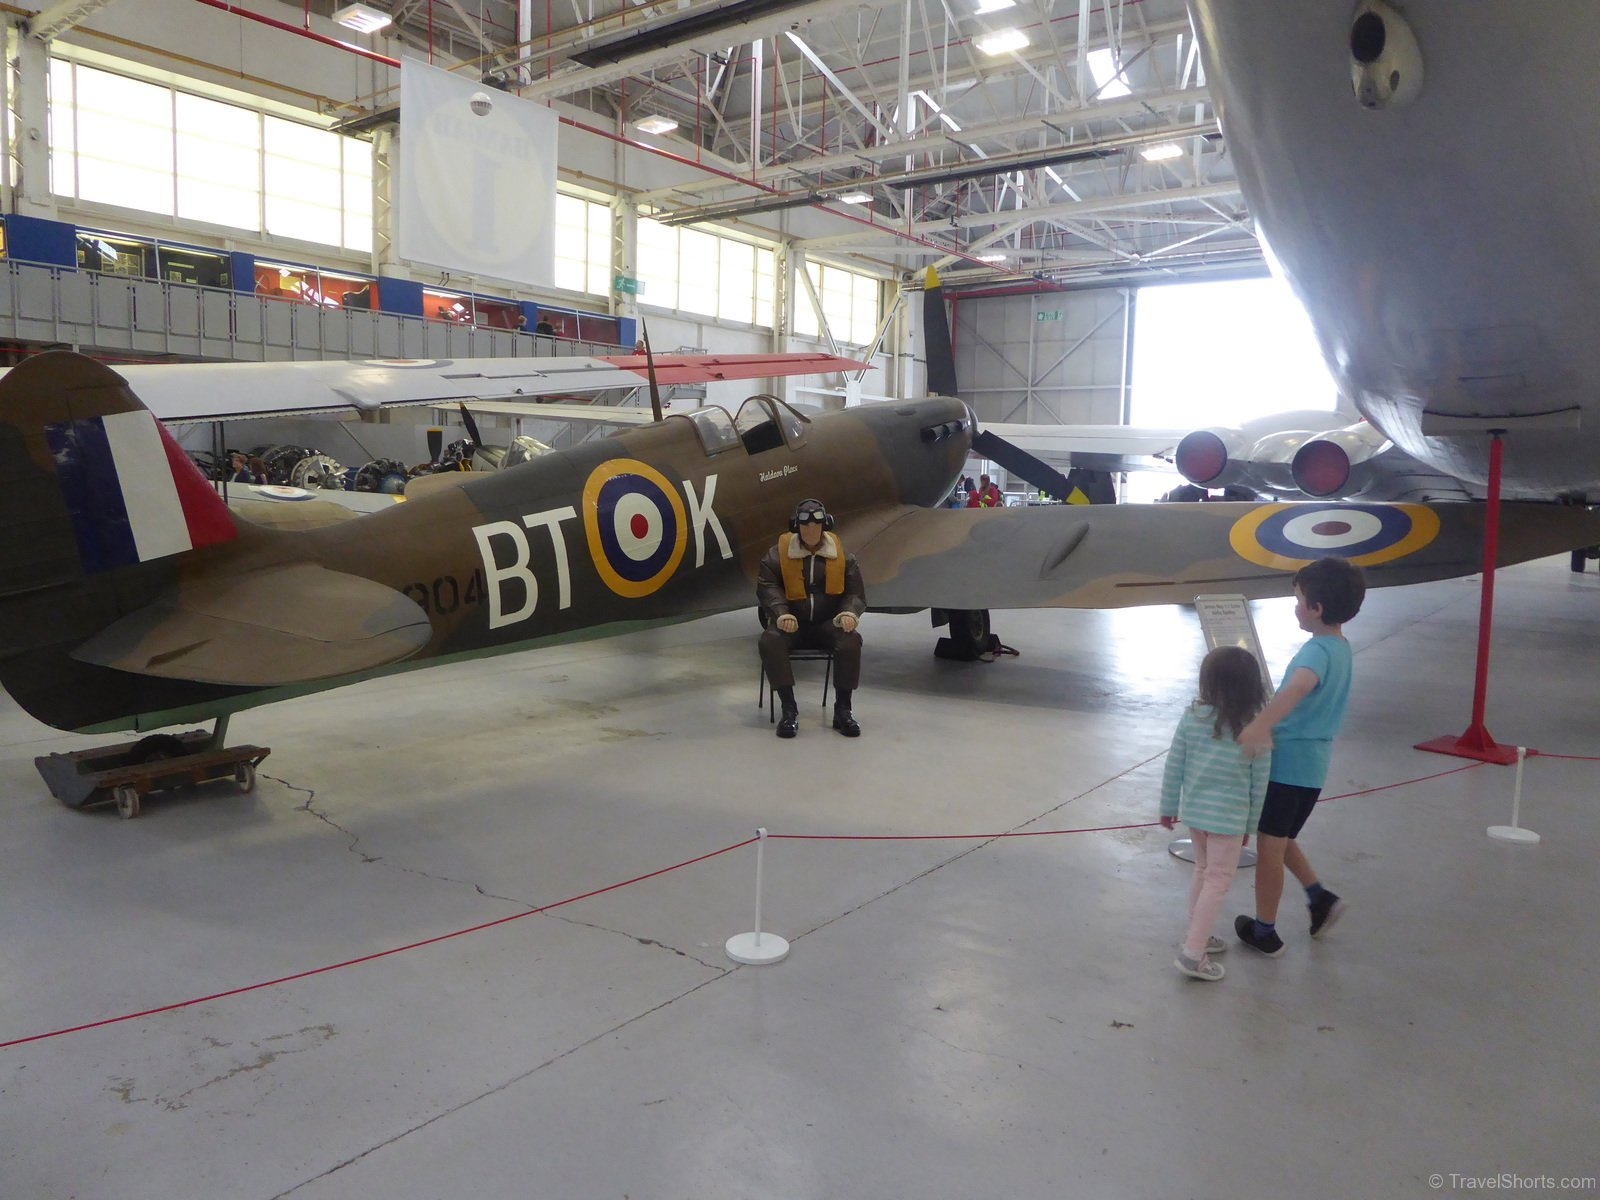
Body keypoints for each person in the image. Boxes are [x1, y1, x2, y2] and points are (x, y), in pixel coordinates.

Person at [1234, 556, 1367, 956]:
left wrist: (1260, 725)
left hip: (1288, 764)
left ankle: (1265, 930)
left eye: (1299, 600)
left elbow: (1298, 687)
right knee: (1281, 837)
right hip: (1312, 769)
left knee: (1269, 849)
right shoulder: (1341, 648)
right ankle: (1319, 897)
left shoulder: (1316, 653)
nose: (1296, 607)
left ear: (1317, 608)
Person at [1160, 645, 1271, 981]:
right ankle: (1193, 953)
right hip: (1229, 819)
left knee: (1204, 870)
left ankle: (1199, 934)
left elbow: (1174, 764)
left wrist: (1167, 808)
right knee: (1219, 881)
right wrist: (1251, 825)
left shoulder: (1193, 717)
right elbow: (1259, 784)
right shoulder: (1257, 727)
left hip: (1196, 813)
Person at [756, 498, 866, 739]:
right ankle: (789, 708)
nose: (811, 530)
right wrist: (781, 613)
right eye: (805, 525)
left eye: (816, 525)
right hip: (792, 623)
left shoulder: (842, 557)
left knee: (850, 641)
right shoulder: (777, 556)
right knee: (769, 641)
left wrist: (849, 613)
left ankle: (843, 710)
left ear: (825, 525)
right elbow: (767, 587)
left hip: (828, 623)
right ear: (796, 527)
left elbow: (855, 592)